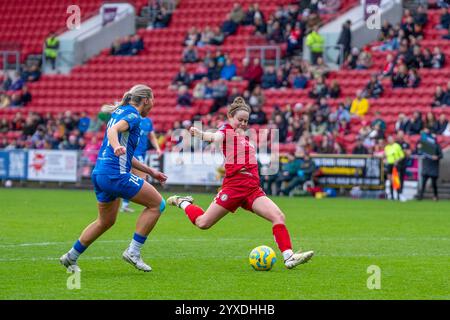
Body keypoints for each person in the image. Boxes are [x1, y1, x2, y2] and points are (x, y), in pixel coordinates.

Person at [167, 97, 314, 269]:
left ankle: (289, 257)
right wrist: (200, 134)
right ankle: (182, 202)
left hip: (252, 189)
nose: (243, 123)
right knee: (203, 223)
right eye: (240, 120)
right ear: (230, 116)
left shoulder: (242, 136)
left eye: (246, 121)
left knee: (278, 216)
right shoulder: (226, 130)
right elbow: (214, 136)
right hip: (234, 187)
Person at [59, 85, 168, 273]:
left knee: (105, 221)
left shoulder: (119, 112)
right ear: (146, 100)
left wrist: (151, 171)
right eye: (153, 100)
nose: (154, 104)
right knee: (157, 204)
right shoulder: (133, 116)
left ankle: (71, 256)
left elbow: (126, 153)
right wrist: (117, 145)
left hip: (100, 174)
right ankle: (133, 251)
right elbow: (114, 132)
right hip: (115, 175)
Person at [121, 115, 163, 213]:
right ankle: (149, 203)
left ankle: (125, 204)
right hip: (134, 153)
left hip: (142, 153)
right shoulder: (134, 119)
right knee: (143, 178)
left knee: (131, 178)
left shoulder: (148, 121)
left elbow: (151, 136)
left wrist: (157, 148)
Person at [416, 132, 443, 201]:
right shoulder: (425, 146)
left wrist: (436, 157)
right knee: (423, 183)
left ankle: (435, 196)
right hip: (426, 166)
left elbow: (441, 155)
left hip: (433, 167)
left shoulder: (437, 146)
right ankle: (420, 196)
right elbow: (418, 150)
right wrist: (418, 147)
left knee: (434, 184)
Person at [384, 135, 405, 200]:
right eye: (388, 140)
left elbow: (402, 155)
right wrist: (385, 160)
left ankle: (399, 195)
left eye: (391, 139)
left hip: (396, 165)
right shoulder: (386, 147)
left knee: (396, 180)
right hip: (389, 165)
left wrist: (397, 160)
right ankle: (392, 196)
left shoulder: (397, 146)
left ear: (393, 139)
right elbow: (386, 156)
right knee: (390, 180)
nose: (390, 141)